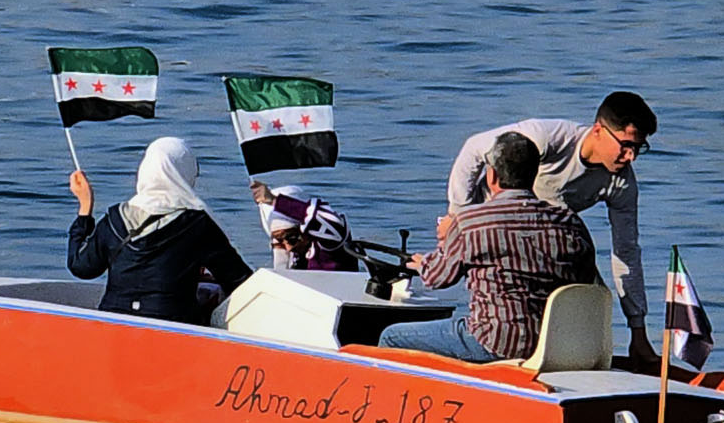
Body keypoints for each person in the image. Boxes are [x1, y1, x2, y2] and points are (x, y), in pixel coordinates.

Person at [448, 90, 659, 364]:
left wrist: (638, 330)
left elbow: (626, 253)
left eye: (639, 148)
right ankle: (491, 351)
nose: (631, 157)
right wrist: (459, 216)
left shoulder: (622, 183)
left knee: (593, 296)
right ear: (598, 130)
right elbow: (473, 149)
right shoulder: (547, 137)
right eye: (626, 145)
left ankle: (574, 362)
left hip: (543, 241)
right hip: (493, 232)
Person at [378, 131, 599, 362]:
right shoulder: (569, 222)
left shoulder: (471, 222)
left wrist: (425, 262)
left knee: (391, 337)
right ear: (534, 174)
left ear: (492, 176)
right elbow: (584, 279)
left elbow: (437, 278)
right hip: (554, 345)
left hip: (495, 342)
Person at [67, 137, 253, 326]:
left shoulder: (115, 219)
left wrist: (85, 207)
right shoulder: (197, 225)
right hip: (174, 326)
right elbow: (239, 280)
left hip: (114, 320)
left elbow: (81, 267)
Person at [249, 179, 362, 273]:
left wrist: (275, 201)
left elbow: (331, 222)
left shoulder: (329, 246)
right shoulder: (289, 254)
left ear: (306, 229)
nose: (289, 248)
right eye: (279, 241)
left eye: (292, 238)